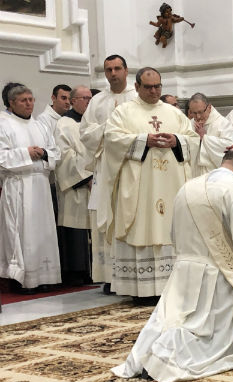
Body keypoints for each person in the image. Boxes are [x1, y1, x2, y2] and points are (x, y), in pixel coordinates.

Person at [112, 150, 233, 382]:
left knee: (170, 318)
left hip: (182, 271)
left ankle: (144, 357)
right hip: (218, 275)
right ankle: (164, 358)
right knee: (208, 332)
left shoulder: (188, 188)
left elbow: (174, 232)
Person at [102, 67, 200, 302]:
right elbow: (112, 139)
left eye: (158, 86)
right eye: (148, 87)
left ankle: (174, 287)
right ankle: (142, 290)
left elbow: (194, 140)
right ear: (137, 87)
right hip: (141, 187)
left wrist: (177, 140)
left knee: (172, 227)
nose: (154, 91)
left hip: (171, 184)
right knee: (142, 225)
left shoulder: (174, 113)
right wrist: (143, 140)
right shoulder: (123, 112)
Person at [80, 54, 137, 293]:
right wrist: (108, 129)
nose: (113, 73)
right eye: (108, 70)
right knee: (105, 219)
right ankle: (109, 276)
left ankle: (131, 274)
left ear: (126, 70)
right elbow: (85, 132)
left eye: (117, 68)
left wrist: (116, 133)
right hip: (105, 169)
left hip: (130, 168)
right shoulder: (98, 101)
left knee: (128, 217)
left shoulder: (137, 97)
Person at [0, 85, 61, 290]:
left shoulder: (40, 126)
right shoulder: (4, 124)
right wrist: (26, 153)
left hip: (41, 185)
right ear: (11, 103)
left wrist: (44, 153)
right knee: (20, 232)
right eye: (23, 100)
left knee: (43, 232)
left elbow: (55, 152)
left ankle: (45, 278)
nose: (29, 104)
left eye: (31, 99)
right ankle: (22, 280)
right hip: (18, 185)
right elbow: (1, 157)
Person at [54, 86, 93, 286]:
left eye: (90, 98)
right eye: (84, 98)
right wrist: (87, 178)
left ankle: (93, 271)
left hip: (95, 184)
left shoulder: (92, 122)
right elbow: (64, 156)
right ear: (73, 100)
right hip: (76, 186)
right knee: (76, 228)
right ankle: (76, 272)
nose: (88, 101)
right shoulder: (64, 124)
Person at [187, 92, 233, 176]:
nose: (198, 116)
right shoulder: (190, 124)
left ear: (209, 107)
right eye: (194, 113)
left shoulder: (223, 123)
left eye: (200, 112)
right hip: (195, 173)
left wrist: (205, 138)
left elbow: (229, 148)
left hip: (216, 174)